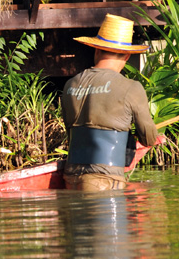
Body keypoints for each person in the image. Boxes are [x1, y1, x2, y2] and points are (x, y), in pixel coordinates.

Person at [61, 14, 161, 191]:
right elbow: (149, 139)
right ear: (127, 56)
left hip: (70, 177)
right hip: (105, 181)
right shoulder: (131, 87)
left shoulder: (70, 84)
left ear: (97, 50)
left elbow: (71, 132)